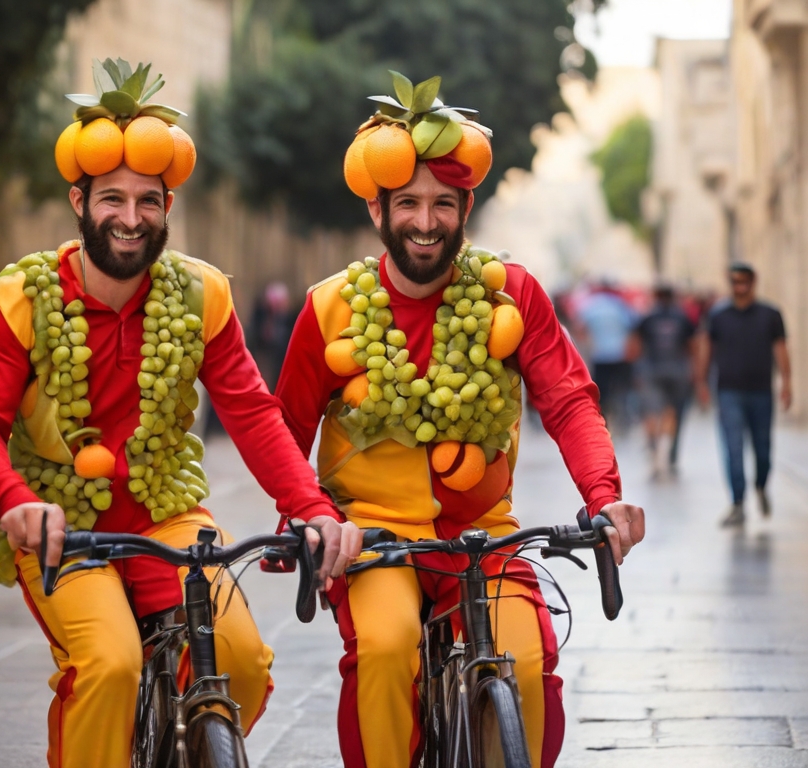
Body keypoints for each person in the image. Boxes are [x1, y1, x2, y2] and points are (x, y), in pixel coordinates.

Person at [0, 60, 360, 768]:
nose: (132, 218)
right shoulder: (22, 297)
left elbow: (253, 414)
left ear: (169, 206)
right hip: (57, 527)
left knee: (241, 661)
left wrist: (313, 508)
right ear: (78, 199)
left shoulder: (202, 294)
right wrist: (15, 502)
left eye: (150, 200)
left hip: (166, 515)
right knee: (107, 665)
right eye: (113, 198)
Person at [274, 72, 645, 768]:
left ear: (466, 206)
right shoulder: (329, 306)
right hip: (375, 536)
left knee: (530, 666)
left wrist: (604, 496)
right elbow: (285, 428)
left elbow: (567, 398)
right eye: (407, 202)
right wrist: (300, 519)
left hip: (486, 534)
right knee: (383, 653)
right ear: (376, 210)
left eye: (443, 203)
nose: (424, 221)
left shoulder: (512, 292)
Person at [695, 262, 792, 527]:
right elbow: (706, 347)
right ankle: (738, 502)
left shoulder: (770, 314)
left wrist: (787, 382)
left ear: (752, 282)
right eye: (735, 281)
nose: (739, 286)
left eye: (743, 281)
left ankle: (760, 486)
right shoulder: (718, 315)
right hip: (728, 392)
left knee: (762, 448)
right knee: (733, 448)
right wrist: (701, 381)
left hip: (761, 391)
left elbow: (780, 348)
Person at [631, 283, 696, 478]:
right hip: (678, 371)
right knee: (672, 413)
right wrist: (693, 371)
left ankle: (653, 451)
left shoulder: (647, 317)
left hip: (651, 371)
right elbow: (692, 346)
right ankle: (665, 452)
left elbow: (634, 346)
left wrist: (636, 371)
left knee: (651, 413)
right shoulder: (683, 317)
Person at [574, 280, 638, 432]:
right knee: (622, 390)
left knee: (602, 393)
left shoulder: (591, 305)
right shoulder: (620, 305)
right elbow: (633, 328)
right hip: (620, 355)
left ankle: (603, 422)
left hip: (600, 356)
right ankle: (623, 420)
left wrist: (589, 342)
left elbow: (580, 329)